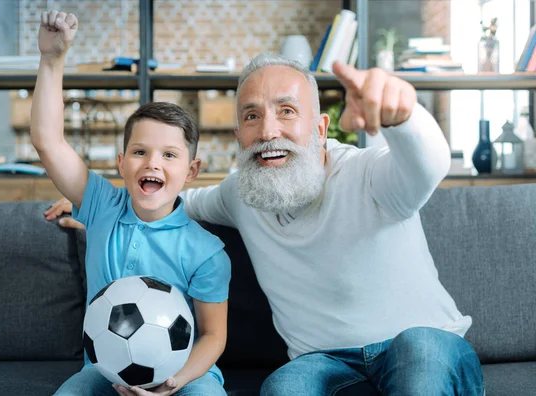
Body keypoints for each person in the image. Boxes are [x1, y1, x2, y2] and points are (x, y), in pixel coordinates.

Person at [45, 50, 485, 394]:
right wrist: (104, 208)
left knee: (420, 351)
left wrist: (402, 116)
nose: (268, 130)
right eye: (252, 116)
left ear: (320, 127)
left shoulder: (371, 175)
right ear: (239, 135)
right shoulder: (243, 192)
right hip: (324, 362)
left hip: (423, 347)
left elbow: (427, 166)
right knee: (283, 385)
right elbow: (178, 199)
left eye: (287, 111)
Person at [33, 10, 231, 396]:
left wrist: (174, 382)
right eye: (140, 151)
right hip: (103, 371)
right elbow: (48, 141)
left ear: (191, 171)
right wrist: (51, 60)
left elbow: (213, 335)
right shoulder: (102, 205)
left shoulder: (206, 253)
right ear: (122, 164)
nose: (153, 162)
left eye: (169, 155)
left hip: (186, 374)